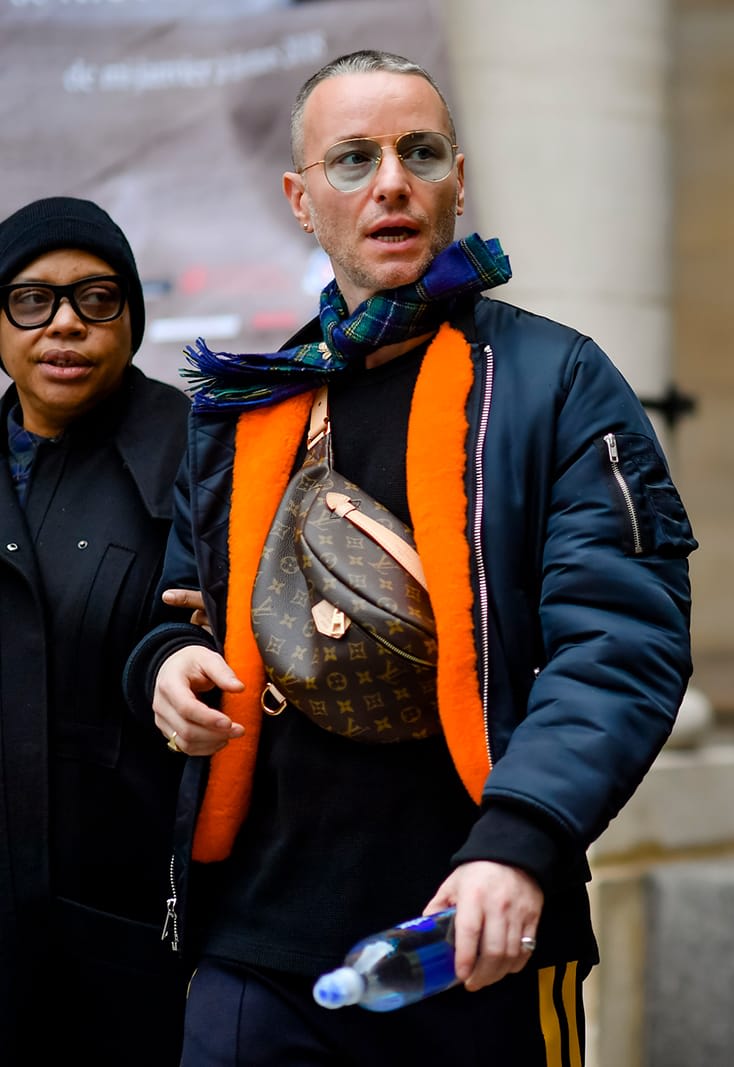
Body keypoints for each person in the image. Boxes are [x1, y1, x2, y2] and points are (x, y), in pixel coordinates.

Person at [123, 50, 695, 1064]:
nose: (390, 181)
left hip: (472, 936)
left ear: (457, 181)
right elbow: (181, 605)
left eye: (418, 152)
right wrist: (166, 664)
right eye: (353, 160)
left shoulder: (555, 380)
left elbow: (619, 642)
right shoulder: (246, 402)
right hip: (254, 944)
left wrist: (520, 846)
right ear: (303, 200)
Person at [0, 197, 191, 1064]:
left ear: (131, 318)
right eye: (32, 300)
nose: (65, 324)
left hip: (126, 931)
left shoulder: (193, 456)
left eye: (96, 299)